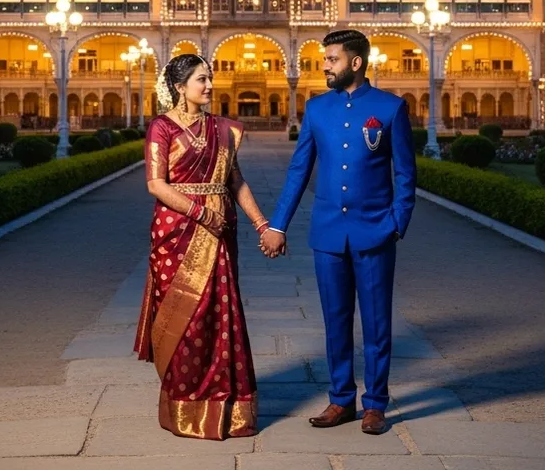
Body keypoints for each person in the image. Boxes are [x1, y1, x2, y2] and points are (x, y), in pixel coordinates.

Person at [260, 29, 416, 435]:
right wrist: (277, 225)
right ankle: (341, 399)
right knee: (335, 321)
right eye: (325, 59)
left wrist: (397, 223)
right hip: (328, 235)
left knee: (377, 324)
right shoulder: (316, 109)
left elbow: (405, 173)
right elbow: (299, 170)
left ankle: (375, 404)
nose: (325, 66)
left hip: (375, 232)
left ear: (356, 62)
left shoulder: (390, 108)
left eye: (332, 59)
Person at [134, 53, 276, 440]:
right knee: (185, 317)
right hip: (177, 232)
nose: (210, 85)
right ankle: (185, 405)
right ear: (180, 87)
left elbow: (235, 181)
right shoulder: (162, 127)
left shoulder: (222, 129)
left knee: (220, 314)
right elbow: (156, 184)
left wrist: (262, 224)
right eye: (201, 79)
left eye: (210, 77)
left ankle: (227, 406)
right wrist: (201, 213)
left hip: (220, 229)